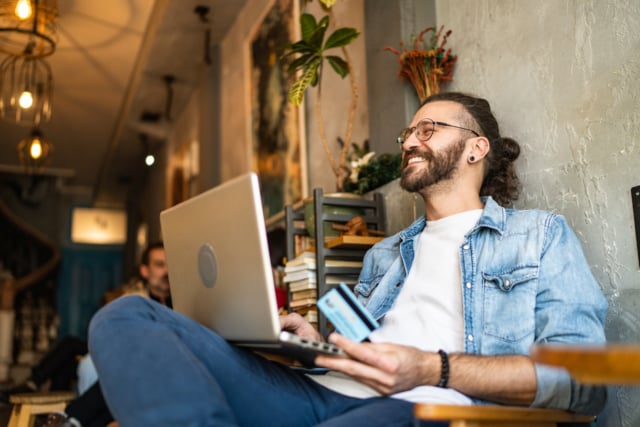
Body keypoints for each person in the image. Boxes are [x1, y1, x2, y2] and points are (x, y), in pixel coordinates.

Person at [87, 92, 608, 427]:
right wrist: (312, 340)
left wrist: (430, 368)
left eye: (428, 130)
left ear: (476, 149)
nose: (410, 142)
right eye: (408, 133)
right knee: (125, 317)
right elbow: (354, 336)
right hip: (323, 388)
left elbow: (583, 385)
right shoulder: (386, 254)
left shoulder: (537, 235)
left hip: (421, 407)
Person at [44, 241, 171, 427]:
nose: (166, 271)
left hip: (157, 362)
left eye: (169, 265)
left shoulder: (182, 301)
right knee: (94, 363)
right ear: (145, 271)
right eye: (159, 265)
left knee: (114, 369)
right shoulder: (133, 299)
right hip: (129, 354)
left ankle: (70, 417)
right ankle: (72, 418)